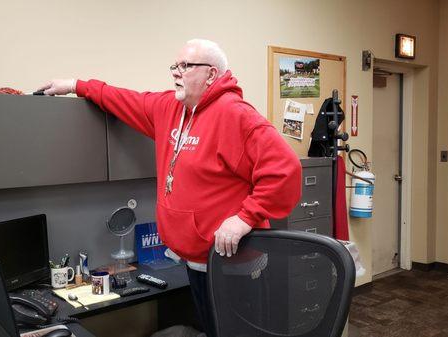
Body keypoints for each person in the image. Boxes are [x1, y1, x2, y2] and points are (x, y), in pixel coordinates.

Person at [39, 39, 302, 336]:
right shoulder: (169, 108)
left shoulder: (235, 114)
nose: (176, 73)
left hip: (234, 266)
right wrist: (76, 84)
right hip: (196, 261)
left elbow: (286, 170)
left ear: (211, 74)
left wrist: (244, 218)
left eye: (185, 66)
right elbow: (123, 99)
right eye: (174, 66)